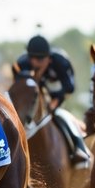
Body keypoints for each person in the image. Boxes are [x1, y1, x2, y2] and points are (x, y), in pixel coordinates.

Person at [17, 34, 91, 166]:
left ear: (49, 58)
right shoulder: (23, 63)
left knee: (59, 115)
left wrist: (55, 102)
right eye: (32, 58)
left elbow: (69, 88)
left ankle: (79, 148)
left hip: (59, 93)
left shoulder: (60, 63)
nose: (34, 63)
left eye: (39, 59)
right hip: (37, 95)